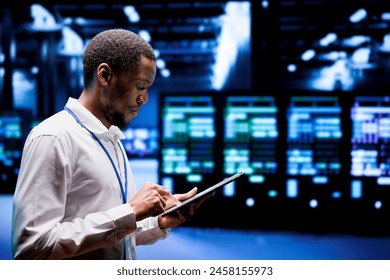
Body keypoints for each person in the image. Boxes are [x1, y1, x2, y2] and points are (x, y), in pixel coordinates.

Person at [12, 28, 207, 260]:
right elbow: (31, 249)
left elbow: (115, 233)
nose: (143, 99)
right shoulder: (53, 138)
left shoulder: (112, 140)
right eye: (140, 86)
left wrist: (158, 222)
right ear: (105, 76)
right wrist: (130, 212)